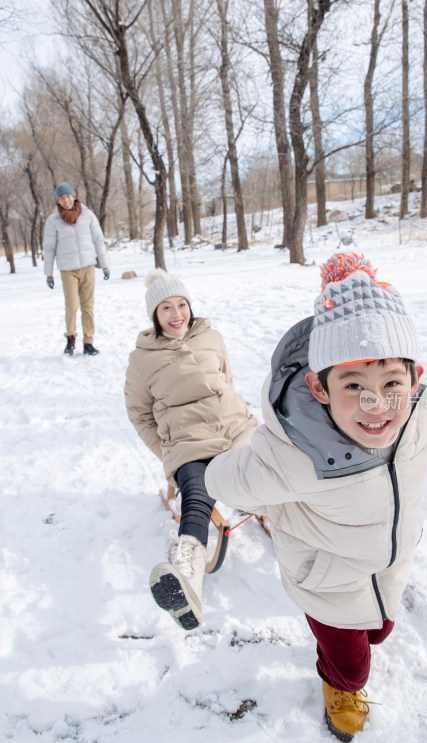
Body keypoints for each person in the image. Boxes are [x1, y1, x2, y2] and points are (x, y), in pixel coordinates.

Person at [205, 252, 427, 743]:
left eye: (392, 383)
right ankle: (339, 685)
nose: (376, 405)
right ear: (319, 388)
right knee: (352, 663)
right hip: (327, 581)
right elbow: (222, 481)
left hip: (388, 560)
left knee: (378, 630)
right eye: (354, 385)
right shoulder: (296, 454)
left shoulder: (423, 409)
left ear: (415, 380)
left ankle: (352, 652)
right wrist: (250, 461)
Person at [124, 270, 259, 631]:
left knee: (274, 470)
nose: (175, 313)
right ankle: (188, 574)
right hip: (187, 442)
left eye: (181, 304)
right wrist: (167, 450)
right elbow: (138, 414)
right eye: (166, 307)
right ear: (155, 315)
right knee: (197, 494)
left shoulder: (211, 337)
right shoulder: (142, 359)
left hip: (234, 428)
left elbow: (227, 381)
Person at [44, 182, 110, 356]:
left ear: (74, 196)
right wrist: (48, 274)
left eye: (68, 196)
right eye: (62, 197)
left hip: (88, 267)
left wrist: (104, 265)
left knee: (88, 306)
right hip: (68, 270)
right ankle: (71, 339)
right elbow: (49, 248)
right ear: (58, 200)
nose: (66, 200)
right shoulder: (53, 220)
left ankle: (88, 342)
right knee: (72, 306)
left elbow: (98, 240)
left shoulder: (88, 216)